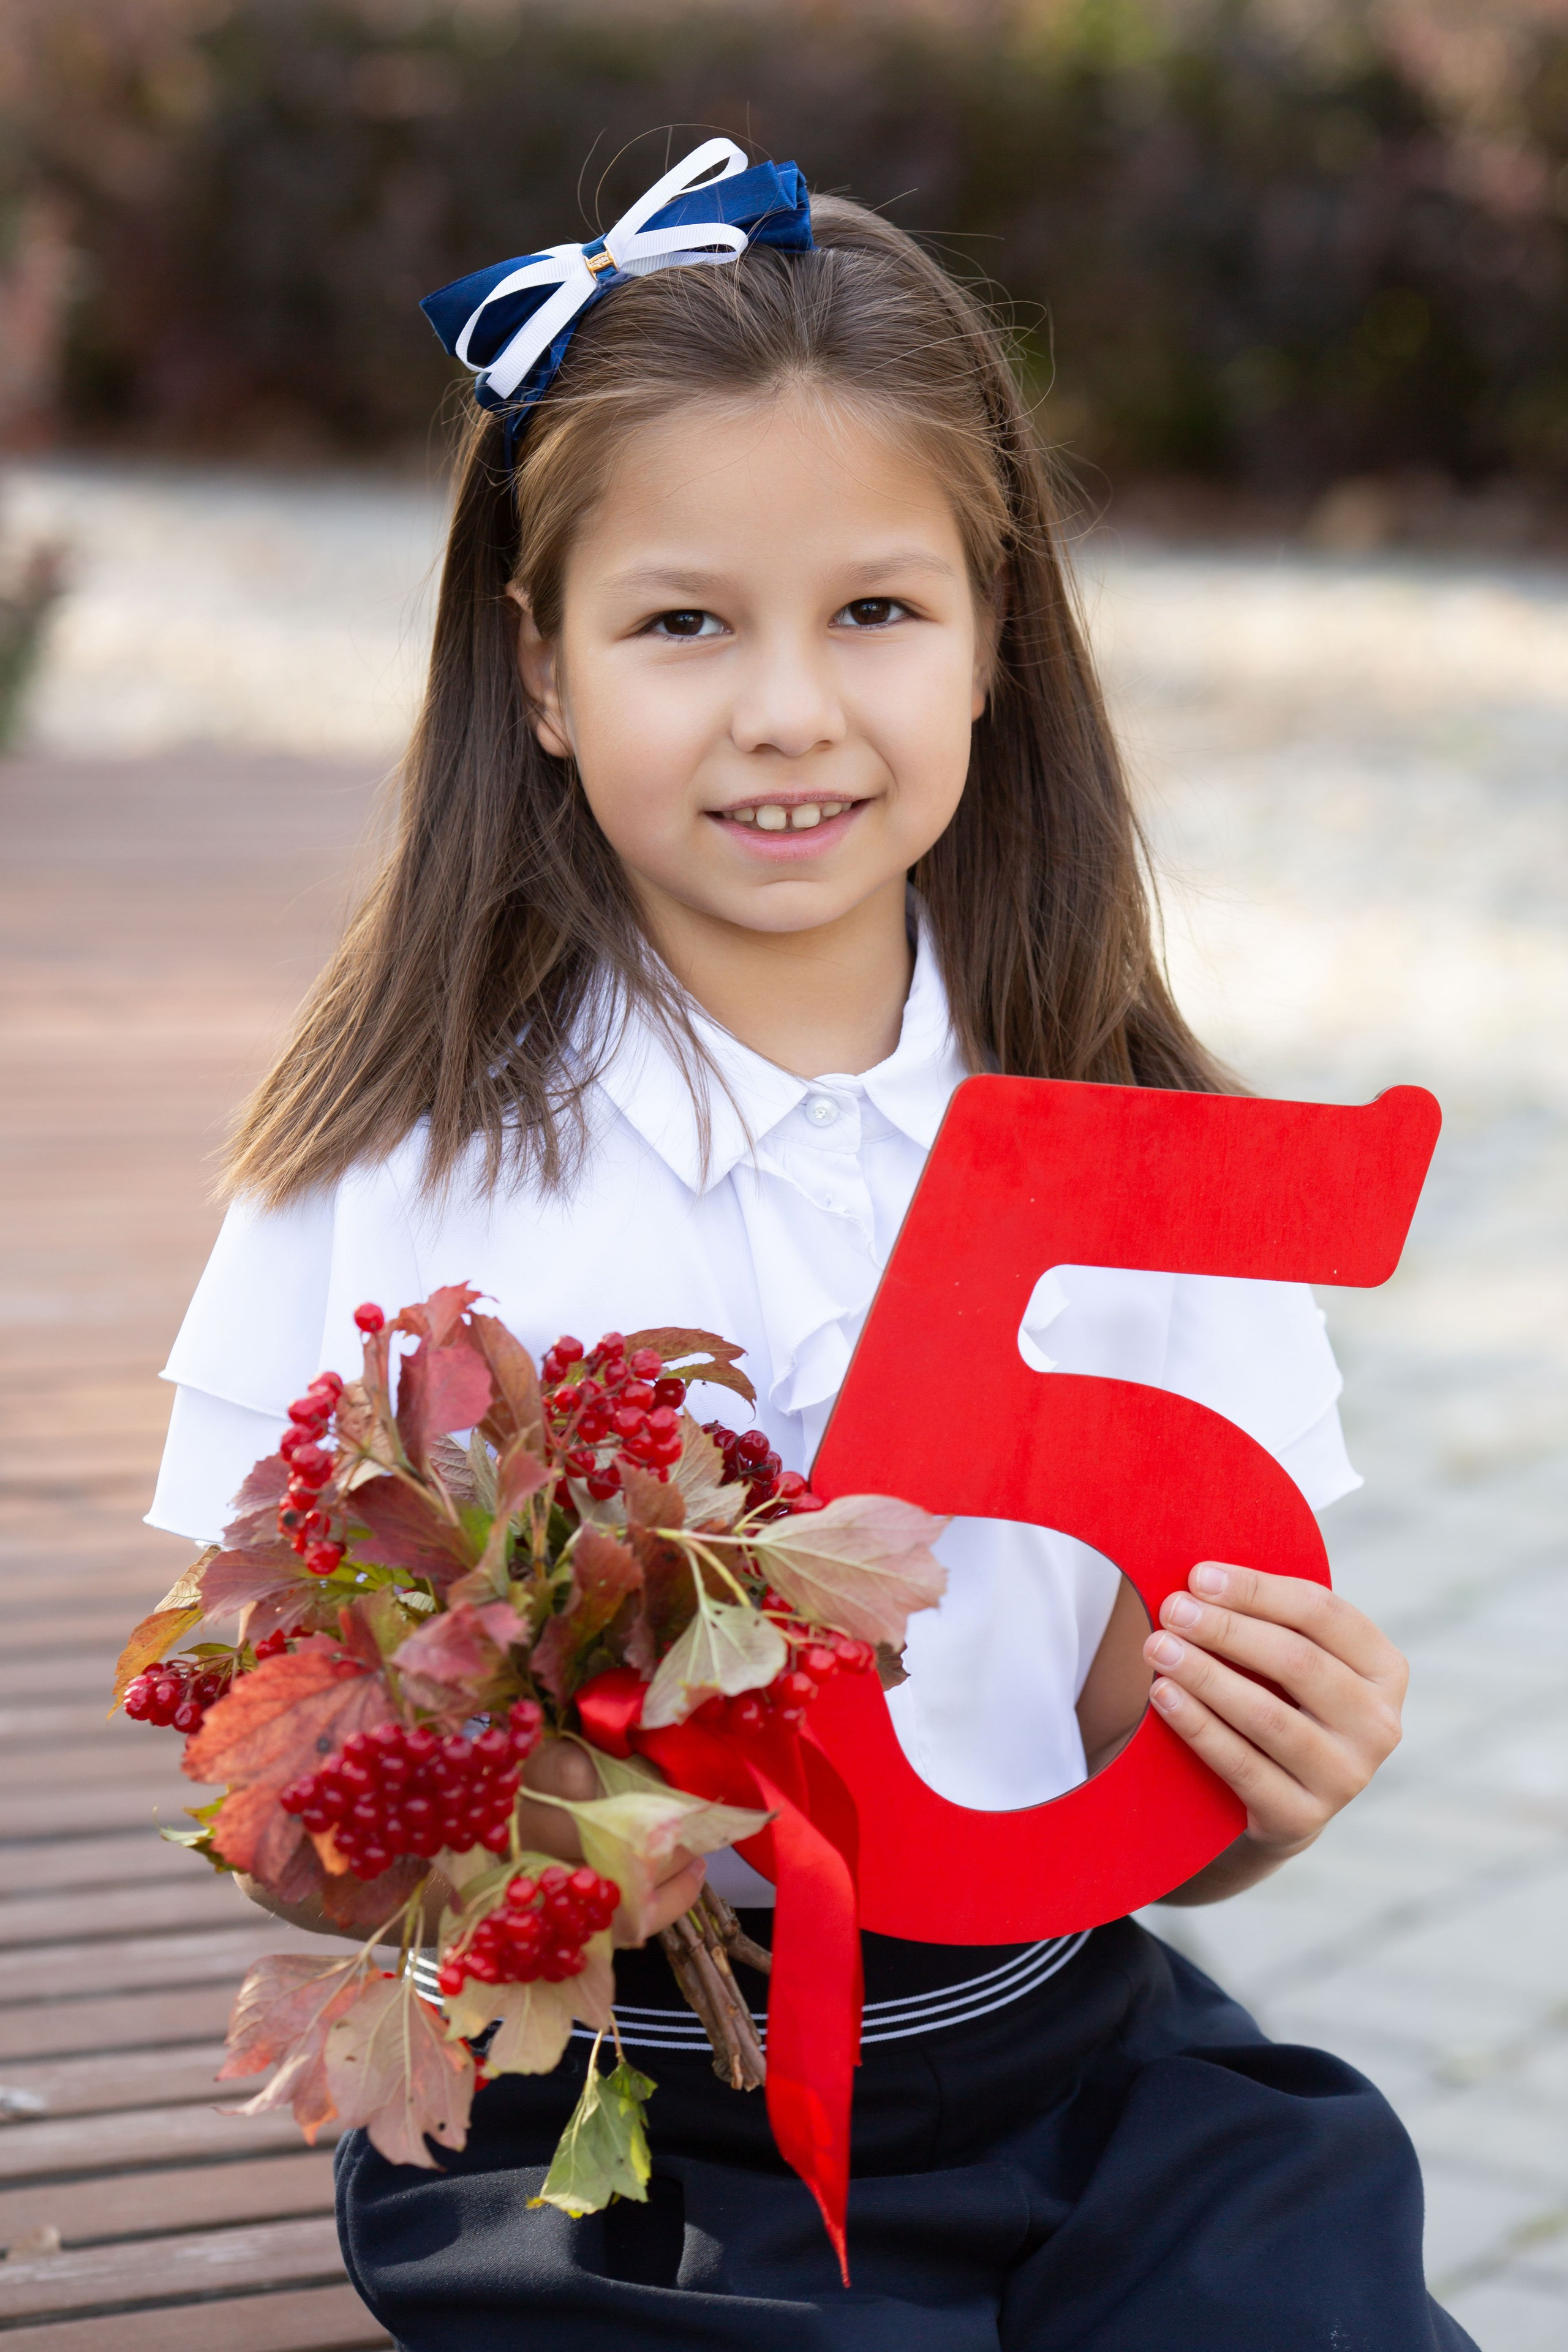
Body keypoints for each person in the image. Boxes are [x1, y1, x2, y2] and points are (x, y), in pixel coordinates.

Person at [146, 143, 1472, 2351]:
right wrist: (443, 1761)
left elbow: (1167, 1785)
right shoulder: (392, 1171)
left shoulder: (1145, 1157)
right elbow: (254, 1742)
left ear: (992, 646)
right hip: (608, 2130)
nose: (787, 709)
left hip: (1066, 2062)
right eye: (683, 623)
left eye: (875, 611)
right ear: (545, 675)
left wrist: (1272, 1771)